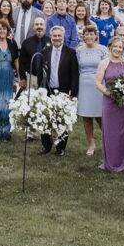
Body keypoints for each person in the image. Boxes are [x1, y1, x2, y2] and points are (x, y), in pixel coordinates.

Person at [95, 35, 124, 172]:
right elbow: (97, 83)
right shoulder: (104, 63)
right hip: (110, 103)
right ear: (110, 48)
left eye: (120, 47)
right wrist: (110, 93)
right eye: (116, 47)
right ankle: (112, 162)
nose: (118, 49)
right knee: (111, 132)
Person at [39, 26, 79, 155]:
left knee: (62, 118)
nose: (57, 38)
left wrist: (73, 91)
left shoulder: (71, 53)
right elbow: (41, 72)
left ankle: (60, 147)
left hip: (63, 90)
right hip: (48, 89)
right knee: (45, 117)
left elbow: (74, 74)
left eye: (59, 36)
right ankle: (46, 145)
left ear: (63, 37)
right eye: (54, 36)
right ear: (51, 37)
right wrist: (41, 89)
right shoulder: (45, 52)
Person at [75, 24, 109, 156]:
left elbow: (106, 67)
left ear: (96, 36)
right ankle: (91, 143)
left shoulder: (103, 49)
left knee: (101, 115)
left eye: (91, 34)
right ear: (83, 36)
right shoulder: (78, 50)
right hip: (84, 83)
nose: (89, 36)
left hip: (99, 84)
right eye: (86, 34)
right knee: (86, 115)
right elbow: (77, 68)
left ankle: (108, 142)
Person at [17, 16, 49, 92]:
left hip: (47, 78)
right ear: (33, 27)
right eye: (37, 24)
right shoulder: (26, 42)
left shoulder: (50, 42)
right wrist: (23, 78)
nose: (39, 26)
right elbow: (21, 62)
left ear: (45, 27)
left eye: (41, 24)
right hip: (31, 77)